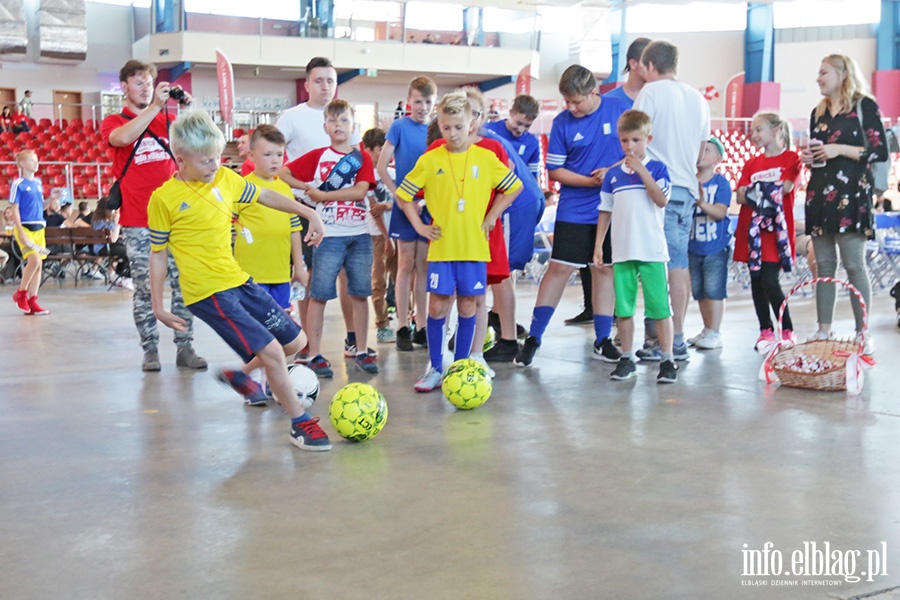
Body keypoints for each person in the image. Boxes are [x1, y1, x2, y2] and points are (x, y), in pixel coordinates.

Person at [148, 109, 331, 451]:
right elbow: (157, 254)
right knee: (274, 351)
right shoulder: (164, 199)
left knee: (295, 343)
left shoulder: (226, 180)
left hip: (237, 279)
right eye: (205, 161)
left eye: (217, 158)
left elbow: (264, 195)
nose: (214, 166)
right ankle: (299, 424)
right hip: (207, 292)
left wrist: (308, 211)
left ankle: (240, 374)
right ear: (180, 158)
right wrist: (158, 306)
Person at [395, 91, 522, 392]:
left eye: (459, 126)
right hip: (442, 249)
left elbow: (513, 187)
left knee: (468, 306)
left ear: (472, 123)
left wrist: (493, 215)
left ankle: (463, 367)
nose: (453, 133)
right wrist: (419, 226)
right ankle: (437, 367)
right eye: (446, 127)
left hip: (474, 248)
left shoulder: (486, 158)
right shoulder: (430, 160)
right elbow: (403, 196)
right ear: (439, 125)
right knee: (437, 308)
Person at [514, 64, 631, 368]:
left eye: (577, 102)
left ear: (594, 92)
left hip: (612, 207)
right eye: (567, 102)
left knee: (603, 269)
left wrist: (612, 172)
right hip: (575, 208)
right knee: (559, 269)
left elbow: (638, 149)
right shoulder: (563, 123)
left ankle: (603, 340)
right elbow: (555, 171)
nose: (571, 108)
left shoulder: (621, 109)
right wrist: (591, 181)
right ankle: (534, 338)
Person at [101, 59, 206, 372]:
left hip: (178, 220)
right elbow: (122, 138)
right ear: (124, 88)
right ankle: (150, 350)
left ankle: (185, 347)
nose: (145, 88)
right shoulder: (114, 120)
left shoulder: (168, 119)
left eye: (148, 83)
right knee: (146, 290)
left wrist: (189, 109)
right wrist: (155, 107)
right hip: (138, 221)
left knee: (185, 287)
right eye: (138, 83)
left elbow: (200, 142)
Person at [279, 99, 378, 378]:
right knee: (318, 294)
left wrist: (322, 196)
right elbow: (285, 172)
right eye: (333, 121)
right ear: (325, 126)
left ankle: (361, 349)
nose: (339, 126)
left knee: (360, 293)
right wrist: (304, 188)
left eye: (344, 120)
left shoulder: (362, 158)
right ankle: (314, 354)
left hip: (358, 234)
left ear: (354, 126)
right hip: (328, 235)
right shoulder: (318, 156)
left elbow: (360, 191)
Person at [276, 56, 364, 359]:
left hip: (346, 216)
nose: (325, 86)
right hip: (305, 211)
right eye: (318, 80)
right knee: (310, 276)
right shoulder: (291, 117)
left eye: (330, 80)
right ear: (307, 84)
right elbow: (276, 159)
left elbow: (359, 160)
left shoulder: (347, 117)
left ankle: (353, 338)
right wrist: (306, 191)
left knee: (348, 277)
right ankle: (308, 343)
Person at [801, 54, 887, 356]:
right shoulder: (818, 111)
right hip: (820, 194)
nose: (818, 78)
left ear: (842, 73)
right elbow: (819, 151)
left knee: (853, 265)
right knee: (823, 266)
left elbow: (879, 151)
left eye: (823, 72)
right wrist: (811, 156)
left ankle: (862, 332)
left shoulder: (865, 106)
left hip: (852, 196)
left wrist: (838, 149)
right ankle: (823, 329)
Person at [633, 40, 710, 362]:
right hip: (687, 188)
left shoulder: (650, 93)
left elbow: (635, 140)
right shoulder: (698, 98)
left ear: (650, 66)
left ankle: (660, 340)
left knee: (654, 264)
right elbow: (702, 149)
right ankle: (676, 335)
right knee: (678, 264)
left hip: (657, 189)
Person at [595, 110, 676, 383]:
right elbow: (605, 211)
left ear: (648, 139)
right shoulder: (613, 175)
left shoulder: (658, 168)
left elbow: (661, 199)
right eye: (625, 141)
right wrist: (598, 246)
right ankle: (627, 357)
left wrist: (642, 171)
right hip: (622, 251)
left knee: (660, 308)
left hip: (651, 250)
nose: (630, 146)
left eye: (636, 140)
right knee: (624, 309)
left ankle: (667, 359)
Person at [234, 125, 317, 332]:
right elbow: (226, 224)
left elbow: (294, 229)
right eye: (267, 154)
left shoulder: (284, 189)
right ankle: (254, 365)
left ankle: (278, 365)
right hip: (251, 274)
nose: (274, 160)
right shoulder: (241, 187)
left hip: (280, 274)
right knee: (256, 328)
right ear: (251, 155)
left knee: (280, 326)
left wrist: (299, 266)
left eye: (279, 154)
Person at [376, 75, 438, 352]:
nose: (422, 107)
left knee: (423, 266)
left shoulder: (437, 129)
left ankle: (421, 325)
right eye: (417, 101)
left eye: (427, 102)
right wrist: (399, 198)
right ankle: (402, 324)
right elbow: (381, 166)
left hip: (429, 206)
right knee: (404, 264)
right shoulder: (399, 126)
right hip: (406, 204)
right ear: (408, 101)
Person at [734, 112, 800, 350]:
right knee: (756, 279)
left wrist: (754, 191)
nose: (754, 135)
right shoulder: (751, 163)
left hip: (776, 231)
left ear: (776, 130)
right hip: (752, 230)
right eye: (752, 131)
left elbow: (785, 188)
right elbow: (740, 195)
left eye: (759, 129)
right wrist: (762, 192)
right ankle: (765, 330)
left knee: (770, 280)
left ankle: (787, 328)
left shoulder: (791, 159)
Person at [687, 137, 732, 350]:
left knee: (714, 289)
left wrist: (701, 202)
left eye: (707, 150)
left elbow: (721, 213)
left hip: (715, 246)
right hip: (693, 245)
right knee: (700, 290)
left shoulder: (720, 182)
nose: (701, 153)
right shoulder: (688, 180)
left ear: (718, 158)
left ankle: (715, 331)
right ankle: (706, 329)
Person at [362, 127, 398, 343]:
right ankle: (382, 324)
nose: (385, 152)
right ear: (368, 150)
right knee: (378, 282)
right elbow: (374, 211)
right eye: (379, 149)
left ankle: (408, 320)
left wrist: (388, 204)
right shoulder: (366, 178)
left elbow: (401, 200)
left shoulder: (392, 173)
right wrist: (386, 238)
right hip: (377, 235)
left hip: (397, 234)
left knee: (401, 279)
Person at [9, 150, 50, 315]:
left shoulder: (39, 183)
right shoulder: (18, 184)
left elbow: (41, 207)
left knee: (39, 265)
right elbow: (15, 209)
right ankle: (21, 293)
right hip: (25, 227)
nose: (36, 163)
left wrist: (52, 200)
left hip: (39, 227)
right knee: (34, 260)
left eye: (37, 160)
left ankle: (33, 300)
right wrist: (20, 231)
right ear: (22, 164)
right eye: (32, 161)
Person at [483, 94, 542, 181]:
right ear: (511, 113)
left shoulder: (532, 143)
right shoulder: (488, 131)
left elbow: (533, 179)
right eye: (519, 123)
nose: (521, 130)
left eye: (527, 126)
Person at [90, 197, 132, 290]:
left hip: (101, 247)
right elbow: (113, 239)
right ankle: (124, 277)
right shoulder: (103, 222)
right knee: (129, 251)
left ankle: (118, 275)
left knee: (126, 249)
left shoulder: (97, 221)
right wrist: (117, 223)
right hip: (104, 248)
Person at [603, 37, 652, 105]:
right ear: (633, 64)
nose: (653, 68)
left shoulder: (658, 100)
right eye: (649, 63)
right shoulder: (608, 101)